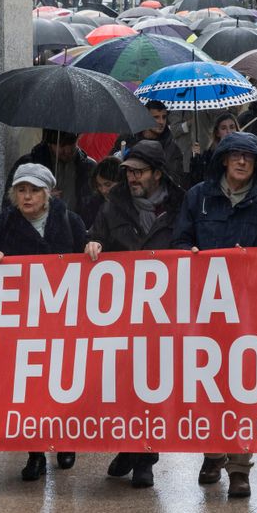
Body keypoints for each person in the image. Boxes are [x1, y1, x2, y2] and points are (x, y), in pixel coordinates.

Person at [172, 131, 257, 499]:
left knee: (242, 388)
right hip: (205, 308)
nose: (241, 162)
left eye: (249, 158)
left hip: (249, 310)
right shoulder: (197, 198)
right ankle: (212, 453)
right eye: (236, 155)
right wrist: (189, 252)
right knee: (207, 384)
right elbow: (178, 242)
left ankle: (240, 468)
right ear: (223, 159)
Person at [86, 141, 185, 489]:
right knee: (125, 385)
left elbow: (190, 244)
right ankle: (130, 448)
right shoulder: (112, 207)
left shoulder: (179, 208)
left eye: (140, 172)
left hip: (165, 312)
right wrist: (93, 245)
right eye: (129, 172)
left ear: (158, 174)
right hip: (124, 312)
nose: (132, 178)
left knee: (152, 384)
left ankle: (145, 456)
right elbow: (97, 237)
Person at [0, 163, 87, 481]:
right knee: (31, 387)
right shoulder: (5, 224)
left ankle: (66, 440)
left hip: (63, 318)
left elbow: (86, 257)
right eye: (21, 190)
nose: (27, 197)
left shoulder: (70, 221)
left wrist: (92, 247)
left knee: (63, 381)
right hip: (25, 321)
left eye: (33, 190)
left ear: (47, 194)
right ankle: (35, 453)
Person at [8, 129, 97, 215]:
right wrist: (41, 199)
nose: (67, 150)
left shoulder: (89, 167)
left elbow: (96, 208)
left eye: (71, 144)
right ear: (50, 144)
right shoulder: (28, 165)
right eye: (61, 146)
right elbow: (9, 205)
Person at [111, 101, 186, 185]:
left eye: (164, 117)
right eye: (156, 117)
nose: (161, 122)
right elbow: (109, 168)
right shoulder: (127, 139)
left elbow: (175, 180)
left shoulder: (171, 148)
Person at [188, 112, 239, 187]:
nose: (229, 132)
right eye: (223, 128)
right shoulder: (210, 156)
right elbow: (198, 180)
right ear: (217, 133)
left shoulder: (243, 152)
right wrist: (196, 159)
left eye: (232, 127)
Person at [78, 156, 121, 228]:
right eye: (99, 185)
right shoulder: (92, 207)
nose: (103, 190)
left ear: (121, 181)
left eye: (108, 185)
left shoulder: (135, 205)